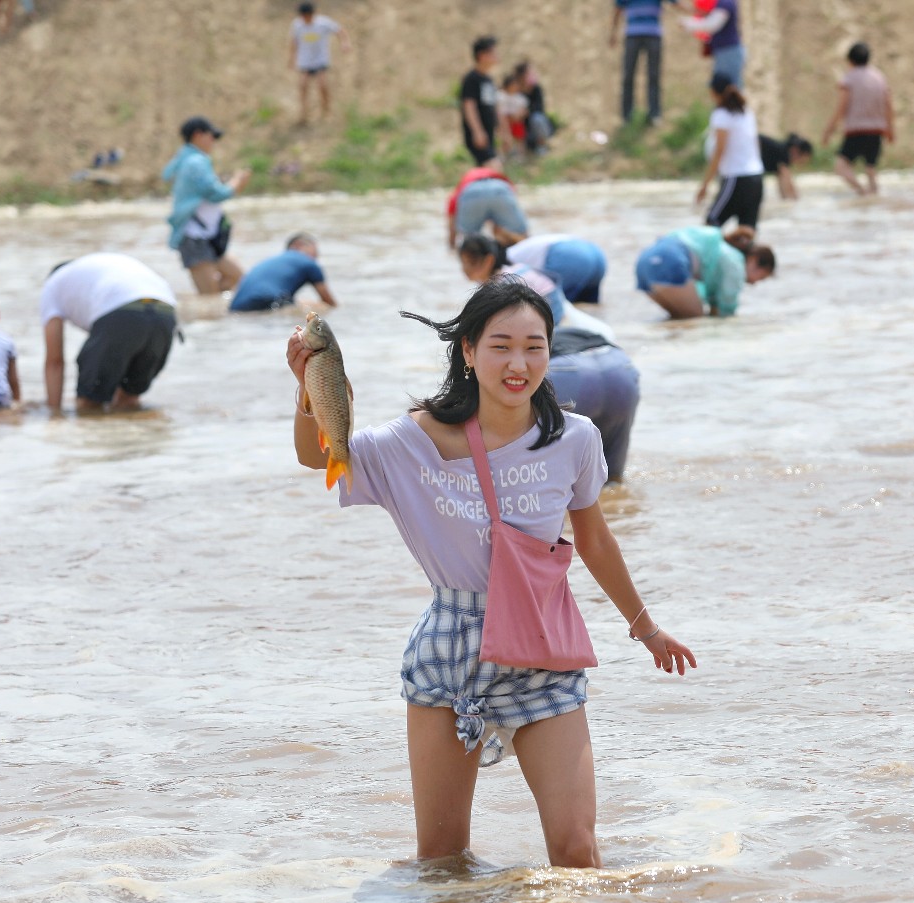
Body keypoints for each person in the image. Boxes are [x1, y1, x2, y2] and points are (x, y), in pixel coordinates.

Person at [284, 275, 697, 868]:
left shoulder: (575, 439)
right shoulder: (412, 440)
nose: (519, 363)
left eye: (535, 346)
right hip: (449, 650)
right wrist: (308, 389)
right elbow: (317, 454)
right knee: (442, 859)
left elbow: (596, 540)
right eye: (501, 345)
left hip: (542, 646)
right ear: (469, 352)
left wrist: (647, 629)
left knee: (577, 852)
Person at [40, 253, 178, 414]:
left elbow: (54, 361)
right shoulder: (96, 268)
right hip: (165, 311)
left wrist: (54, 412)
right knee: (129, 400)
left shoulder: (52, 285)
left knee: (89, 403)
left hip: (121, 310)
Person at [162, 115, 248, 295]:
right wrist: (236, 183)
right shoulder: (196, 162)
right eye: (212, 136)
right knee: (210, 296)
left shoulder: (185, 158)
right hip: (194, 237)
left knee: (241, 280)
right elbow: (215, 194)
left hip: (207, 236)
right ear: (198, 135)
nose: (213, 142)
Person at [547, 327, 640, 483]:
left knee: (557, 479)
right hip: (618, 365)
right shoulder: (572, 328)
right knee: (613, 479)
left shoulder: (536, 333)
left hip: (567, 369)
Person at [634, 224, 773, 319]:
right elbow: (727, 308)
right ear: (754, 260)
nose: (755, 283)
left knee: (678, 322)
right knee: (697, 323)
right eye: (761, 277)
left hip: (644, 261)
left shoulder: (717, 245)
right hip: (671, 261)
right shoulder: (735, 261)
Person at [821, 41, 894, 196]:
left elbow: (841, 107)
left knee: (840, 167)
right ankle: (874, 197)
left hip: (856, 130)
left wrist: (829, 130)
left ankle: (861, 191)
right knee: (870, 167)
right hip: (876, 129)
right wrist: (890, 129)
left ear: (850, 60)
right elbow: (888, 105)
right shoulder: (879, 77)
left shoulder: (849, 79)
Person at [696, 74, 764, 230]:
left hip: (736, 178)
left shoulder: (721, 115)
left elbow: (719, 151)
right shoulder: (747, 112)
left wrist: (705, 185)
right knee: (747, 234)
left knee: (710, 226)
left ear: (714, 93)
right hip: (756, 178)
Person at [457, 234, 566, 325]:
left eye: (471, 263)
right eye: (463, 263)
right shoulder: (490, 280)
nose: (465, 269)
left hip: (550, 302)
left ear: (489, 261)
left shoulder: (506, 282)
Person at [228, 232, 337, 312]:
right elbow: (329, 302)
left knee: (300, 303)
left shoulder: (272, 260)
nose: (317, 256)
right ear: (298, 245)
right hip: (265, 302)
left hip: (235, 306)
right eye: (316, 250)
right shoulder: (308, 262)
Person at [612, 0, 679, 125]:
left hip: (652, 34)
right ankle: (627, 115)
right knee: (628, 75)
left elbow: (675, 3)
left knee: (653, 75)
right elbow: (617, 9)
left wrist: (696, 13)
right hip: (633, 34)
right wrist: (613, 32)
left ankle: (654, 114)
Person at [287, 2, 349, 124]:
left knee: (322, 85)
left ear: (312, 14)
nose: (305, 18)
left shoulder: (323, 23)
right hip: (305, 61)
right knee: (303, 85)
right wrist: (291, 58)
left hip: (320, 59)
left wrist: (345, 43)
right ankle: (304, 112)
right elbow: (293, 42)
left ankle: (326, 111)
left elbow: (340, 30)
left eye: (307, 16)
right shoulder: (297, 25)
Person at [507, 234, 608, 304]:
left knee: (554, 308)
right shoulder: (520, 248)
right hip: (596, 254)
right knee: (588, 307)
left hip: (569, 256)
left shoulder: (508, 258)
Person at [446, 165, 527, 250]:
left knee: (467, 241)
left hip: (472, 191)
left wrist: (451, 243)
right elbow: (512, 192)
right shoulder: (498, 174)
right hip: (499, 188)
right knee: (521, 235)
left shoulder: (465, 179)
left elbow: (452, 209)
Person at [682, 0, 743, 87]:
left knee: (730, 88)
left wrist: (689, 24)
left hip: (729, 51)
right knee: (723, 87)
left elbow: (712, 25)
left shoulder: (726, 2)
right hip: (724, 51)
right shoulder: (722, 3)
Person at [460, 36, 501, 167]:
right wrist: (477, 131)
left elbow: (493, 106)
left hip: (489, 133)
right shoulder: (471, 79)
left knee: (485, 169)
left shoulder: (488, 80)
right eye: (492, 52)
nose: (496, 56)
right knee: (493, 166)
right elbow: (469, 105)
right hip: (479, 132)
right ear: (482, 55)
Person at [513, 61, 552, 155]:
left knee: (537, 118)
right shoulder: (514, 90)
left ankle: (541, 145)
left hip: (534, 125)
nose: (533, 75)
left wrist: (526, 111)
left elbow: (540, 108)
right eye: (529, 73)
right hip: (521, 127)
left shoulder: (536, 89)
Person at [759, 133, 811, 200]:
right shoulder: (784, 156)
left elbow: (784, 185)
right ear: (795, 150)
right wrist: (795, 199)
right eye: (802, 160)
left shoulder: (781, 152)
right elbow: (786, 187)